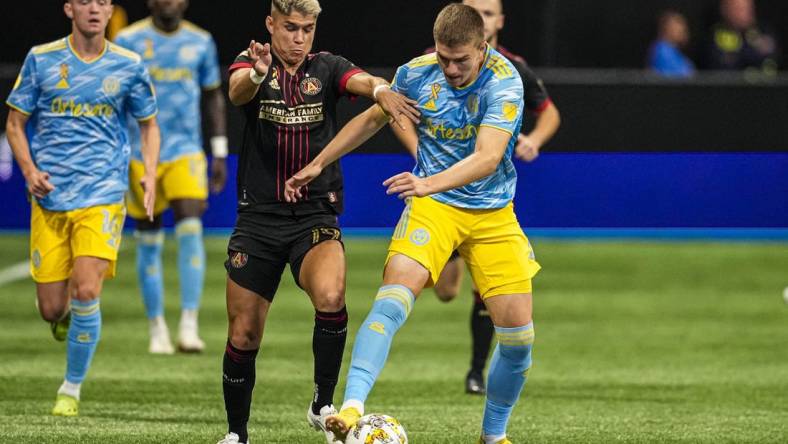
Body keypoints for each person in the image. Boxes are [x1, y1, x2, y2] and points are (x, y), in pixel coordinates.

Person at [286, 5, 538, 443]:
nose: (452, 68)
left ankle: (492, 436)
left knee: (518, 340)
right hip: (434, 208)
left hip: (492, 213)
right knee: (392, 300)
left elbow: (488, 158)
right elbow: (373, 117)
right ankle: (349, 410)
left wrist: (426, 182)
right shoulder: (417, 74)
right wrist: (319, 161)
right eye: (444, 58)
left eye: (462, 60)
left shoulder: (505, 80)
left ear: (483, 48)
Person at [216, 1, 419, 443]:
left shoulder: (327, 68)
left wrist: (381, 89)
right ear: (271, 25)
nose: (299, 37)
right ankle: (237, 434)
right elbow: (236, 92)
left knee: (331, 294)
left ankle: (322, 403)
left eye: (307, 28)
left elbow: (361, 81)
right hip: (258, 219)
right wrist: (256, 73)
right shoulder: (251, 63)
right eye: (290, 27)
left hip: (314, 214)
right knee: (245, 333)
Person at [5, 0, 159, 417]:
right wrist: (29, 170)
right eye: (86, 1)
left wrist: (148, 172)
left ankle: (69, 389)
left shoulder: (128, 64)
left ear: (110, 11)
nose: (94, 9)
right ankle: (65, 316)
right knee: (52, 308)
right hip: (51, 196)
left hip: (103, 194)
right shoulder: (42, 59)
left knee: (87, 288)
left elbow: (149, 124)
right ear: (69, 8)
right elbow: (15, 123)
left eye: (102, 2)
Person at [414, 0, 559, 396]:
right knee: (445, 291)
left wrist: (534, 139)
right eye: (476, 10)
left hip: (485, 195)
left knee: (489, 286)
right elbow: (396, 111)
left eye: (490, 12)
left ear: (498, 22)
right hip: (442, 193)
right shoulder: (434, 63)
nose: (485, 18)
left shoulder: (513, 69)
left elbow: (549, 114)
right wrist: (419, 152)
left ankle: (476, 371)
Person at [115, 0, 227, 355]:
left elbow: (213, 97)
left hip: (186, 150)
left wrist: (219, 151)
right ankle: (157, 327)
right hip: (139, 153)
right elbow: (115, 98)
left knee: (190, 228)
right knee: (148, 238)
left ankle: (188, 326)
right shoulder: (127, 39)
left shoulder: (201, 41)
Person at [706, 0, 780, 72]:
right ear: (725, 10)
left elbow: (771, 60)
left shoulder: (763, 32)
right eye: (738, 9)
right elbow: (724, 65)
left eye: (747, 8)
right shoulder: (715, 35)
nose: (744, 13)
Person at [648, 10, 695, 78]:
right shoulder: (661, 50)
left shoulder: (674, 51)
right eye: (676, 28)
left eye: (683, 29)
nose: (682, 31)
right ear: (666, 28)